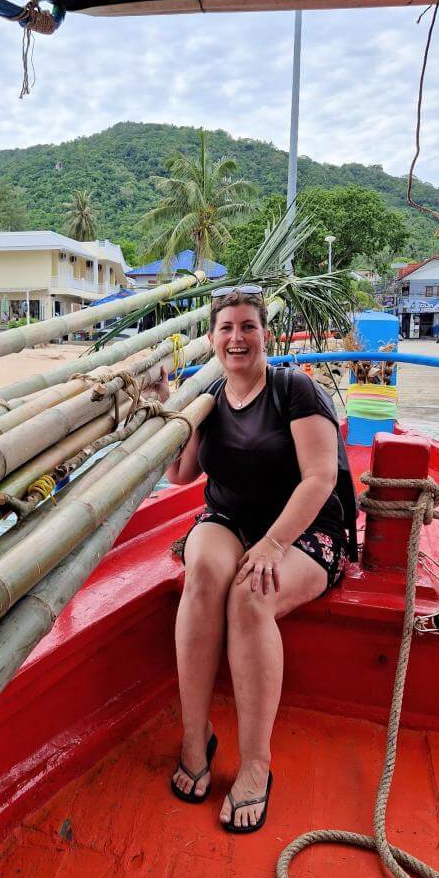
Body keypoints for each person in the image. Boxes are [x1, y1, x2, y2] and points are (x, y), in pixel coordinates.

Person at [152, 287, 348, 834]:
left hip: (303, 530)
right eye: (226, 329)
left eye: (248, 327)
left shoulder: (296, 390)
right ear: (213, 339)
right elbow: (180, 476)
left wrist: (274, 544)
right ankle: (196, 737)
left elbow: (320, 478)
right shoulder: (209, 398)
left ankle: (256, 765)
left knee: (250, 594)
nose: (237, 338)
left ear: (265, 334)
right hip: (230, 520)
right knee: (205, 575)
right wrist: (170, 407)